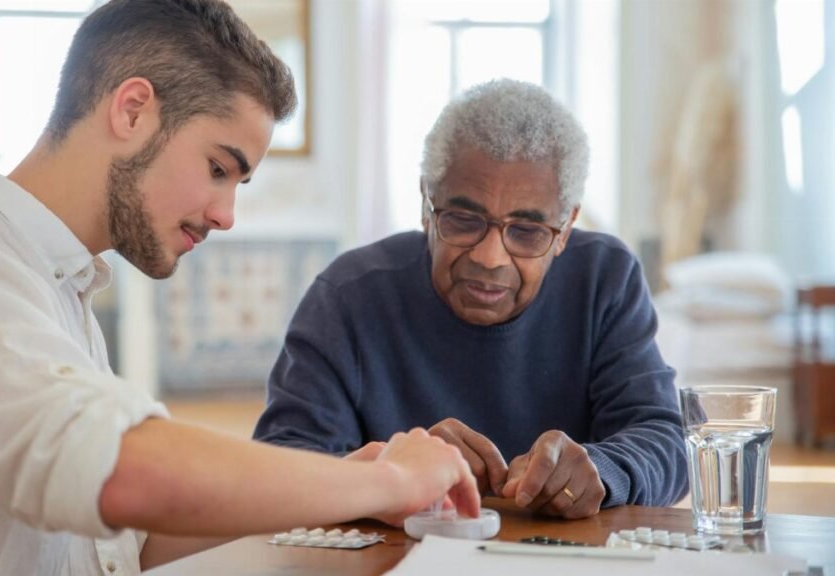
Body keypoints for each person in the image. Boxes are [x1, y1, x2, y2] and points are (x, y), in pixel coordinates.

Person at [0, 1, 480, 574]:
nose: (226, 215)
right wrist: (380, 477)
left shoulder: (52, 286)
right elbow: (125, 472)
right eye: (219, 168)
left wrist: (345, 491)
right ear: (132, 110)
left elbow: (127, 539)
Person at [254, 79, 688, 520]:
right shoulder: (349, 296)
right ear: (426, 204)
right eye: (463, 220)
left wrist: (604, 467)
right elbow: (282, 468)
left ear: (566, 227)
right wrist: (395, 471)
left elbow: (665, 441)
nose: (489, 256)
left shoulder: (605, 279)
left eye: (527, 231)